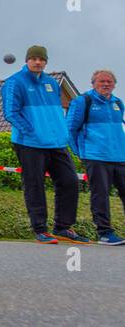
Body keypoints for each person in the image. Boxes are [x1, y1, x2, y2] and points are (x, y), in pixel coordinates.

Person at [1, 45, 88, 244]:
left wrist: (61, 133)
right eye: (34, 58)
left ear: (46, 61)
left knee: (69, 181)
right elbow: (10, 113)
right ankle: (40, 229)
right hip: (29, 143)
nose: (38, 62)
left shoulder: (51, 83)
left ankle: (63, 227)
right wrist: (33, 132)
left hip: (56, 143)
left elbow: (55, 112)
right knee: (35, 185)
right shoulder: (14, 82)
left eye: (42, 59)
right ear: (27, 60)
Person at [64, 69, 125, 245]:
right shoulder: (83, 101)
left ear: (114, 84)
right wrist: (80, 153)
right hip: (95, 156)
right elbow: (70, 129)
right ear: (93, 83)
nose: (106, 84)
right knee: (101, 195)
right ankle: (105, 233)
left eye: (109, 82)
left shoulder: (118, 103)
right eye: (101, 81)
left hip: (120, 157)